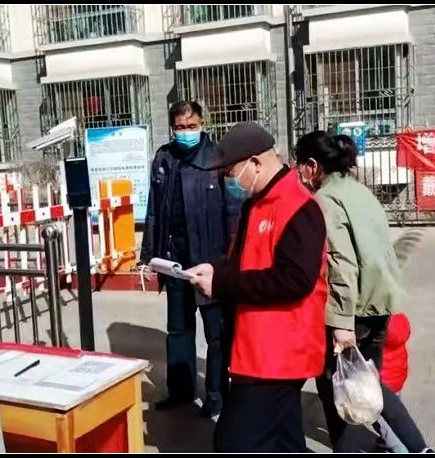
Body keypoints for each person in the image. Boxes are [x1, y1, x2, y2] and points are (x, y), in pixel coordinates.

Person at [186, 122, 328, 452]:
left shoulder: (300, 208)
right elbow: (246, 263)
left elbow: (294, 280)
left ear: (255, 163)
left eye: (231, 171)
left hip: (278, 354)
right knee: (283, 440)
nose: (229, 180)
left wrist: (222, 283)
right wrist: (217, 271)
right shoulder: (255, 205)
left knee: (233, 443)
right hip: (255, 347)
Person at [294, 131, 431, 453]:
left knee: (338, 389)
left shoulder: (326, 200)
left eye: (300, 166)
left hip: (353, 310)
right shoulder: (359, 191)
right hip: (380, 303)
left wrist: (341, 323)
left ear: (312, 165)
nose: (299, 173)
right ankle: (420, 449)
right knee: (371, 385)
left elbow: (341, 262)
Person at [139, 100, 241, 417]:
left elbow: (235, 214)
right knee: (178, 331)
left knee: (217, 335)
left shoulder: (218, 158)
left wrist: (231, 260)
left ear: (202, 124)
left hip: (210, 262)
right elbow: (154, 211)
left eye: (191, 126)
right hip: (175, 261)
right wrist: (150, 255)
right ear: (172, 128)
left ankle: (216, 395)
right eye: (180, 127)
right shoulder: (163, 158)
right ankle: (181, 391)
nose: (186, 132)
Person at [379, 312, 412, 453]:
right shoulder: (400, 320)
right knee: (395, 410)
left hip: (384, 382)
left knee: (382, 420)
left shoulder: (381, 330)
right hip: (398, 378)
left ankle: (398, 447)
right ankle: (393, 440)